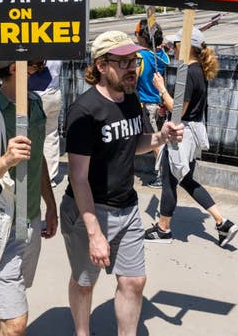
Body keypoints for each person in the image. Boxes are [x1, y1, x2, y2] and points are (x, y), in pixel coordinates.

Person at [60, 31, 183, 336]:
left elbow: (135, 142)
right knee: (85, 282)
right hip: (88, 209)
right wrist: (95, 234)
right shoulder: (84, 111)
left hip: (127, 205)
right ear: (101, 65)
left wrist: (161, 137)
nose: (133, 68)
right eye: (124, 61)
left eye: (135, 61)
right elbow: (78, 177)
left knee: (134, 281)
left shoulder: (131, 100)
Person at [0, 60, 58, 336]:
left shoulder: (34, 104)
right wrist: (6, 159)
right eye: (36, 64)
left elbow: (38, 157)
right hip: (0, 229)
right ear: (17, 68)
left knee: (5, 306)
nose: (42, 68)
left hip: (30, 223)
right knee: (17, 324)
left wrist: (50, 205)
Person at [146, 28, 238, 248]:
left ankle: (163, 229)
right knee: (185, 179)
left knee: (170, 181)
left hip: (181, 134)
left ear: (185, 46)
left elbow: (178, 110)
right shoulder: (196, 70)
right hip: (191, 131)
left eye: (176, 43)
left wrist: (161, 90)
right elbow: (181, 108)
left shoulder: (187, 72)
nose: (173, 47)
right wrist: (166, 107)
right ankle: (222, 222)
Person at [134, 19, 170, 187]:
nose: (135, 37)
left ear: (143, 37)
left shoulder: (141, 57)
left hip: (145, 104)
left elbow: (133, 79)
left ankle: (162, 176)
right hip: (156, 102)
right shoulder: (161, 56)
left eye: (137, 34)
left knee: (156, 142)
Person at [27, 60, 63, 187]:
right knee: (51, 134)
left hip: (38, 94)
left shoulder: (39, 47)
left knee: (30, 135)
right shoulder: (58, 49)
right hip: (55, 92)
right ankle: (50, 177)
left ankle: (32, 174)